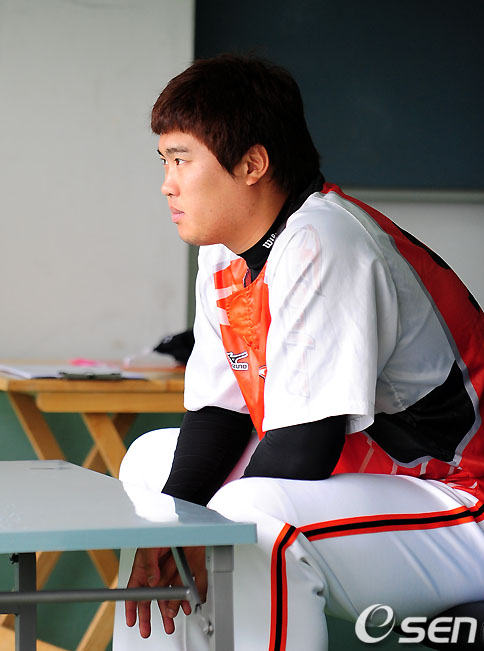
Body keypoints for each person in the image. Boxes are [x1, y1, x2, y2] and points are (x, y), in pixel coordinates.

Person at [113, 54, 484, 650]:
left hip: (461, 499)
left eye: (181, 160)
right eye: (164, 161)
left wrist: (203, 533)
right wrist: (173, 528)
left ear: (252, 164)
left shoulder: (325, 238)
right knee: (153, 468)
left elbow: (305, 445)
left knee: (250, 514)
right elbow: (218, 416)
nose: (167, 183)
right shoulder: (225, 249)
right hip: (366, 486)